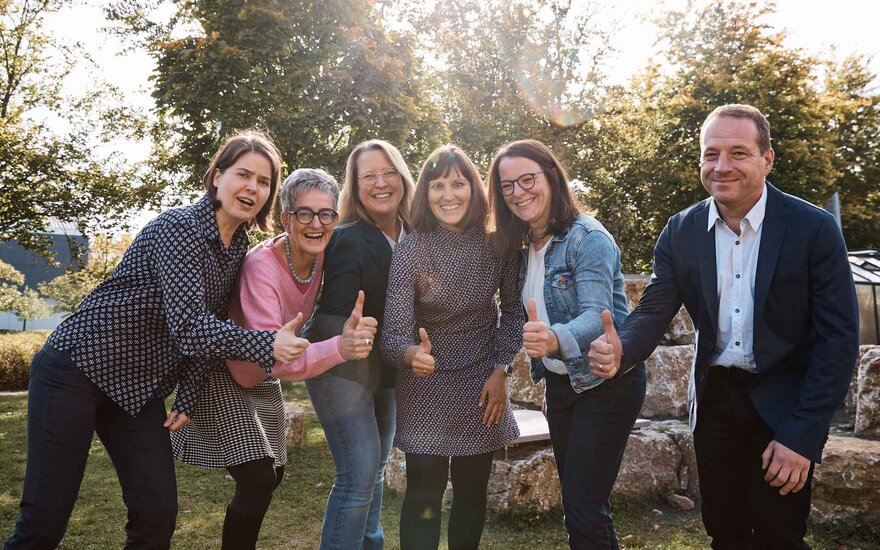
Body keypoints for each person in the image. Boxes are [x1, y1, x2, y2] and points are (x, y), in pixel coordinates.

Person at [4, 131, 310, 549]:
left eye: (263, 182)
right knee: (45, 517)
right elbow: (190, 325)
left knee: (157, 513)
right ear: (217, 177)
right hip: (76, 369)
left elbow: (211, 329)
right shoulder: (179, 228)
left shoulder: (238, 247)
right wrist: (265, 344)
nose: (252, 187)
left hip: (136, 391)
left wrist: (187, 395)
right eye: (244, 174)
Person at [588, 104, 860, 549]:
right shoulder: (681, 230)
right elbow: (655, 309)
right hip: (715, 403)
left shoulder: (814, 229)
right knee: (724, 533)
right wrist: (621, 351)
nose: (722, 165)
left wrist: (803, 434)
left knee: (780, 536)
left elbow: (838, 339)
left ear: (766, 159)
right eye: (711, 153)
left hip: (786, 405)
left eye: (738, 152)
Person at [170, 168, 379, 550]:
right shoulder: (261, 266)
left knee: (274, 473)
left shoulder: (323, 256)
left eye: (326, 214)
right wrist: (340, 348)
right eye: (304, 213)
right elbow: (277, 357)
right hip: (223, 368)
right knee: (258, 478)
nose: (316, 224)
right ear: (285, 218)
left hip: (261, 374)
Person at [487, 139, 646, 549]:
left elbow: (597, 315)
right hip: (561, 386)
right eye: (508, 186)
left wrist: (556, 337)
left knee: (583, 504)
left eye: (527, 180)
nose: (519, 193)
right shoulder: (523, 248)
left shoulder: (587, 238)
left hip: (605, 384)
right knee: (580, 505)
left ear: (552, 177)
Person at [380, 145, 522, 550]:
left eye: (458, 183)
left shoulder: (499, 244)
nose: (448, 195)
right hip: (424, 382)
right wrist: (411, 355)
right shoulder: (412, 249)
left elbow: (513, 313)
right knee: (423, 490)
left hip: (481, 380)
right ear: (424, 193)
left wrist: (500, 370)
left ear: (473, 189)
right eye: (437, 185)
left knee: (472, 491)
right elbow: (393, 336)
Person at [302, 140, 414, 550]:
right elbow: (333, 315)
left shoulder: (415, 234)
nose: (381, 183)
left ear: (402, 176)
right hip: (341, 364)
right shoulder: (347, 237)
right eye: (369, 176)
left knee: (376, 471)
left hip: (385, 368)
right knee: (358, 475)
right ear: (356, 184)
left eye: (388, 172)